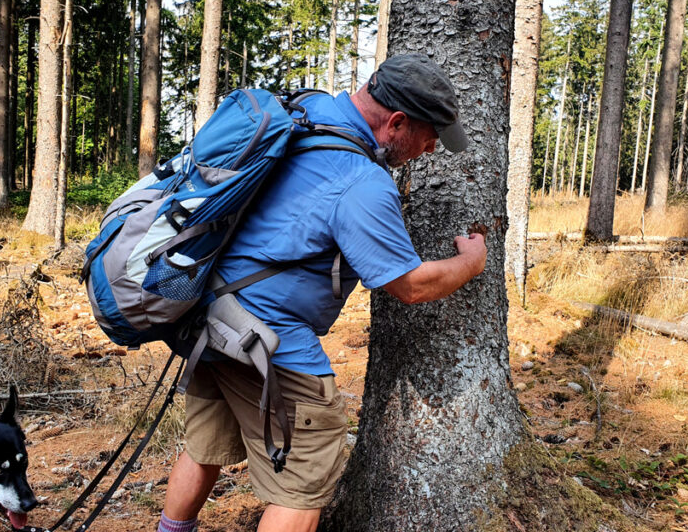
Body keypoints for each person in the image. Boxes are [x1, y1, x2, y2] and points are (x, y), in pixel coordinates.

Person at [157, 54, 486, 532]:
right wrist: (470, 262)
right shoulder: (361, 181)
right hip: (266, 341)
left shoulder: (306, 113)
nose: (432, 148)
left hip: (211, 317)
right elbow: (411, 286)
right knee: (306, 479)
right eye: (429, 134)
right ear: (396, 122)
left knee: (205, 445)